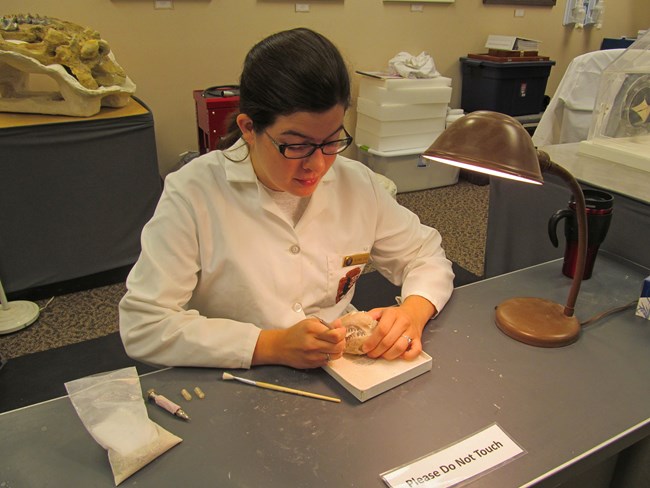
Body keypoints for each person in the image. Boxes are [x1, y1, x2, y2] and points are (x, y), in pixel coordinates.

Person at [119, 28, 454, 370]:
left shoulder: (358, 185)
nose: (318, 164)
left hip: (342, 372)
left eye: (331, 141)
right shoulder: (194, 192)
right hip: (235, 378)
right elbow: (144, 324)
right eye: (296, 145)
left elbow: (425, 255)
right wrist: (268, 345)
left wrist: (413, 311)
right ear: (249, 128)